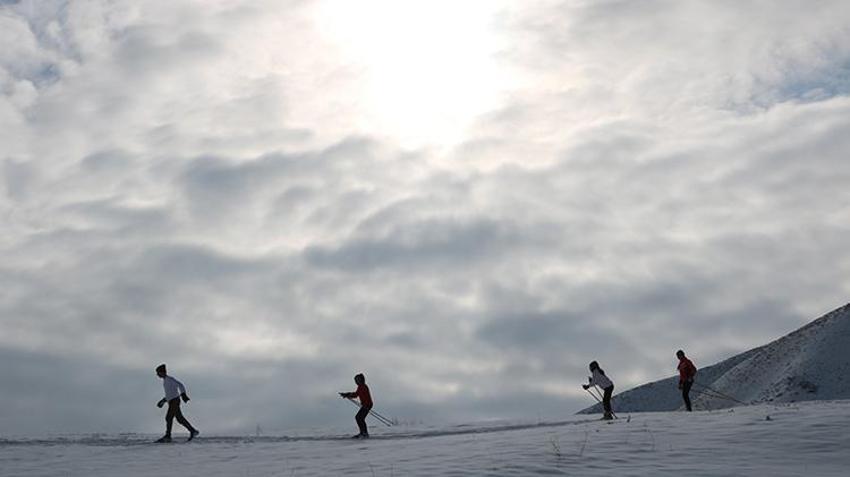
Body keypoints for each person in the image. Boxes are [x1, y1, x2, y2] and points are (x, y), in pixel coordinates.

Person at [155, 364, 199, 443]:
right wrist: (163, 401)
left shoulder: (170, 379)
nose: (157, 374)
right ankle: (193, 431)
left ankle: (168, 436)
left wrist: (183, 395)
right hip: (172, 401)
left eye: (158, 373)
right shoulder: (165, 381)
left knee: (168, 417)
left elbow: (180, 385)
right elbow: (170, 394)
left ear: (162, 372)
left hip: (175, 401)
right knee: (179, 419)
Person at [339, 373, 373, 438]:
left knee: (359, 418)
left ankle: (364, 433)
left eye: (357, 380)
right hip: (366, 405)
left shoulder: (363, 386)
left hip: (367, 405)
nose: (356, 381)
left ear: (361, 380)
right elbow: (356, 394)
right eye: (355, 380)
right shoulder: (360, 387)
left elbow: (361, 396)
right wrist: (346, 394)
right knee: (359, 418)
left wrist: (347, 395)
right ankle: (363, 433)